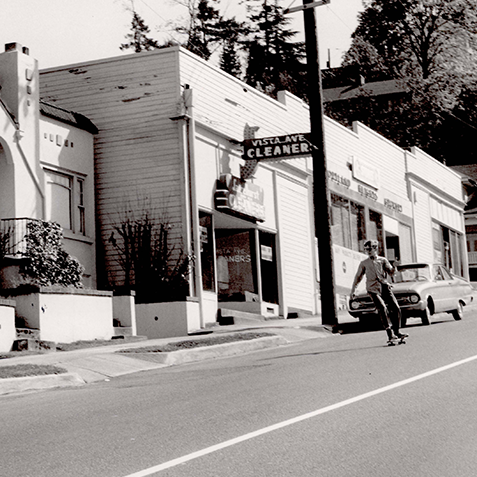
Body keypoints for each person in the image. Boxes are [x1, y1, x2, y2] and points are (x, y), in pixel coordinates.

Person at [350, 239, 408, 345]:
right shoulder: (364, 263)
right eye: (366, 249)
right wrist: (353, 290)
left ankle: (397, 331)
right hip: (372, 289)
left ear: (376, 248)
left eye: (370, 249)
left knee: (395, 307)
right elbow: (358, 277)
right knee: (382, 308)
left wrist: (394, 267)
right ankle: (390, 334)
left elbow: (391, 273)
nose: (368, 251)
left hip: (384, 286)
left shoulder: (382, 260)